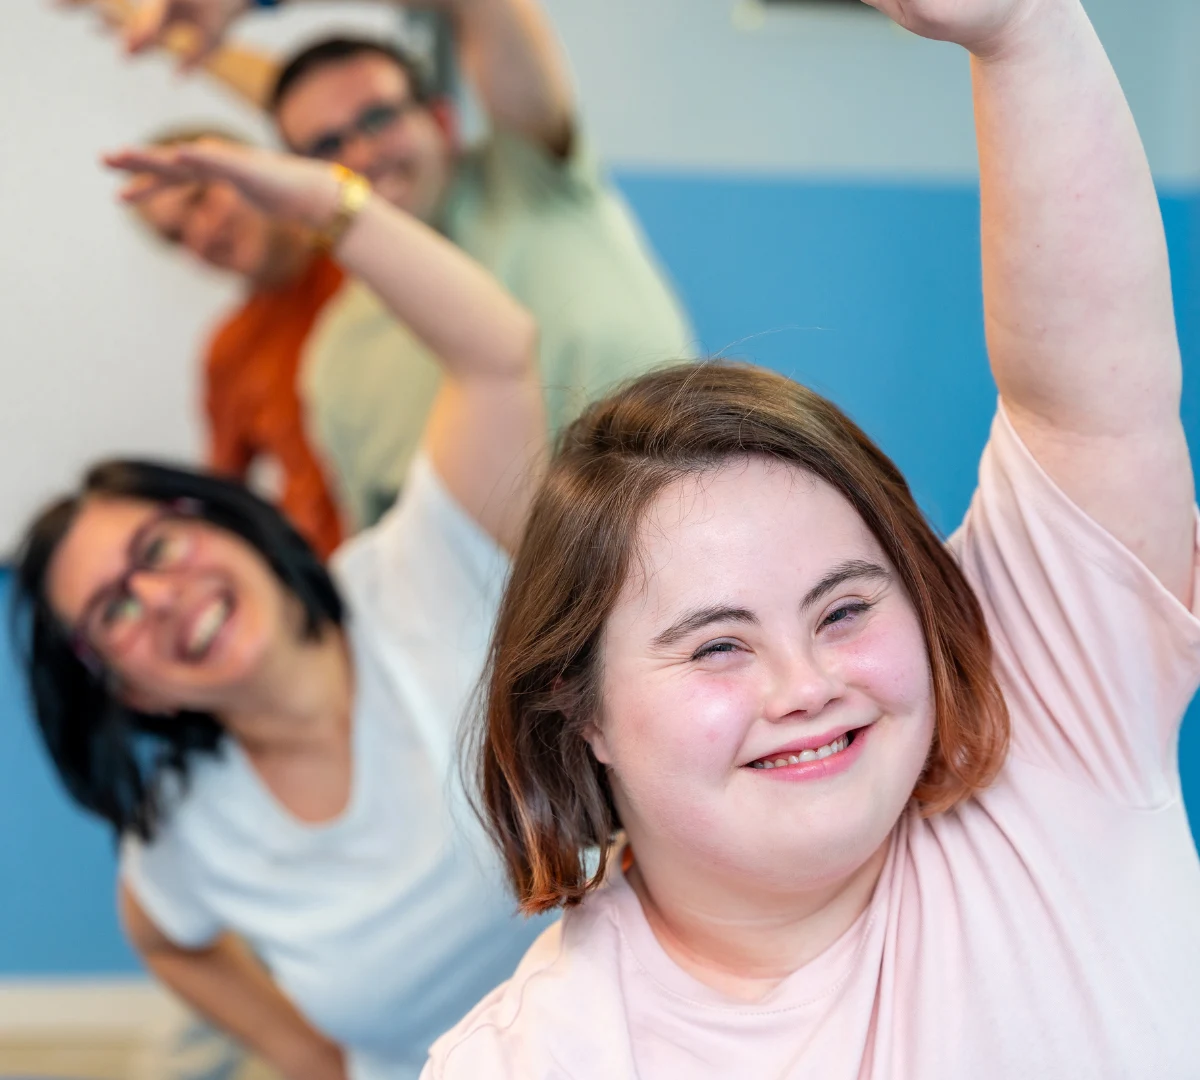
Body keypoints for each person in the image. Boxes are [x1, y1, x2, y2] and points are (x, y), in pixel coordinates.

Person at [424, 0, 1200, 1076]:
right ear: (581, 709)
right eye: (716, 646)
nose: (805, 685)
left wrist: (1023, 29)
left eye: (844, 609)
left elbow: (1087, 409)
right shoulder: (534, 1059)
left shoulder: (1057, 726)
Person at [12, 139, 549, 1080]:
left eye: (158, 549)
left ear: (229, 523)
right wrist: (310, 1058)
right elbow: (167, 937)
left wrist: (328, 205)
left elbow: (498, 354)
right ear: (124, 686)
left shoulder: (424, 563)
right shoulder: (184, 828)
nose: (162, 599)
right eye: (112, 613)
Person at [110, 0, 696, 530]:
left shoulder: (530, 180)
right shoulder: (336, 364)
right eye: (327, 148)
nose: (360, 154)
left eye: (378, 120)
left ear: (441, 120)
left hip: (699, 526)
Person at [131, 125, 347, 559]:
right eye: (176, 235)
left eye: (200, 198)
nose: (202, 234)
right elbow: (223, 500)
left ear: (252, 169)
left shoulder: (368, 251)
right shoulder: (229, 350)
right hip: (341, 574)